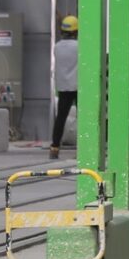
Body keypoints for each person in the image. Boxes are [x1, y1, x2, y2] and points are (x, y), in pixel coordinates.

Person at [47, 13, 80, 156]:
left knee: (61, 118)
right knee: (83, 118)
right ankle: (84, 148)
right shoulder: (79, 46)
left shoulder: (57, 47)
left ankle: (54, 147)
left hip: (63, 87)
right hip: (78, 87)